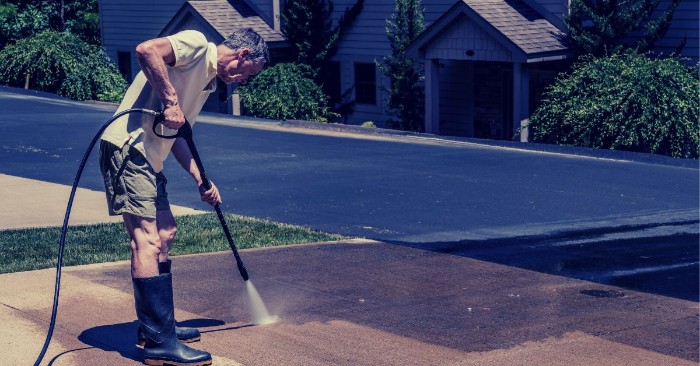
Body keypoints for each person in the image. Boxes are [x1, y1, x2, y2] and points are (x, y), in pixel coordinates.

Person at [99, 28, 268, 366]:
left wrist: (201, 180)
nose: (241, 81)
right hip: (129, 148)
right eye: (247, 74)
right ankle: (160, 342)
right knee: (146, 240)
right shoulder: (196, 45)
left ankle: (158, 328)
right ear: (243, 56)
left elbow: (177, 132)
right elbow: (146, 49)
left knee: (165, 233)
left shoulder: (207, 82)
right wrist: (171, 101)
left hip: (149, 156)